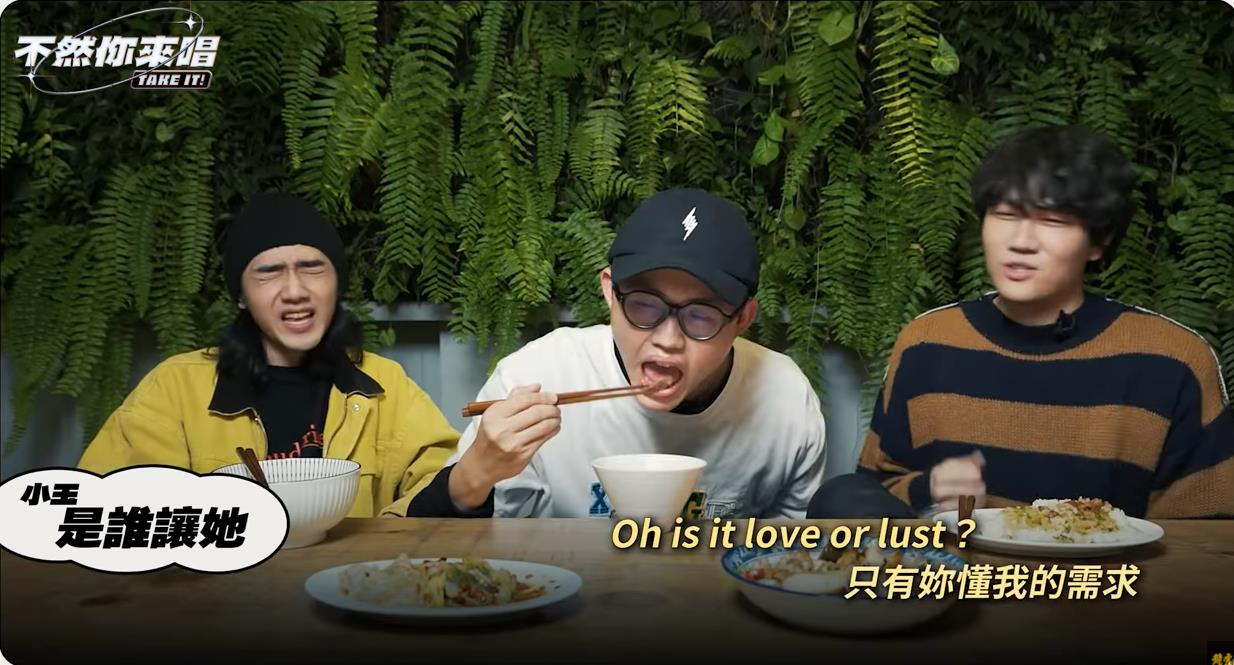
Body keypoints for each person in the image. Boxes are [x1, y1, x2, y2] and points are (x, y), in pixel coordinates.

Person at [812, 125, 1233, 519]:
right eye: (1006, 215)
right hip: (952, 573)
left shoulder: (1170, 361)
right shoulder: (928, 343)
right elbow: (874, 494)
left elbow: (1211, 537)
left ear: (1099, 241)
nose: (1021, 242)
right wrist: (930, 489)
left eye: (1052, 221)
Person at [407, 188, 827, 519]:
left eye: (700, 315)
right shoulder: (537, 375)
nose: (668, 339)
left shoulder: (785, 402)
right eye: (644, 305)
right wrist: (476, 473)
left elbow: (790, 561)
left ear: (743, 318)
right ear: (610, 291)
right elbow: (435, 555)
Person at [78, 193, 458, 517]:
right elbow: (107, 506)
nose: (295, 291)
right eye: (269, 273)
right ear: (241, 296)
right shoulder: (175, 388)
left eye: (312, 269)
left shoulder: (384, 386)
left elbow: (441, 484)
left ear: (337, 283)